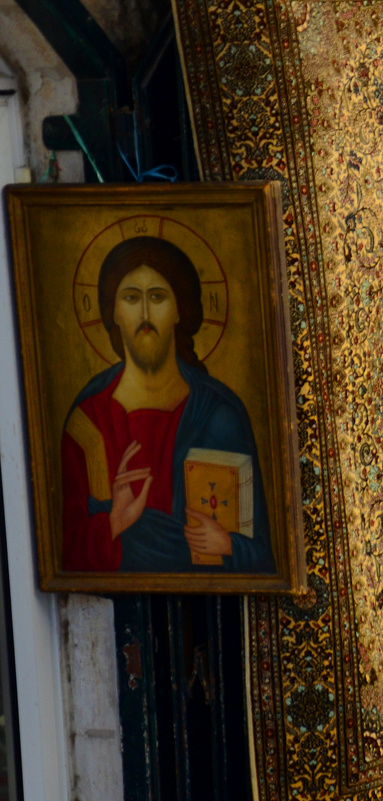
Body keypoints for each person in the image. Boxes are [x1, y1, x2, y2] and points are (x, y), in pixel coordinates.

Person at [61, 236, 273, 573]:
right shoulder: (88, 423)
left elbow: (264, 553)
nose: (144, 313)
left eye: (157, 297)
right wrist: (113, 523)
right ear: (113, 311)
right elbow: (64, 553)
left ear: (178, 310)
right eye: (131, 298)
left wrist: (228, 545)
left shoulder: (220, 415)